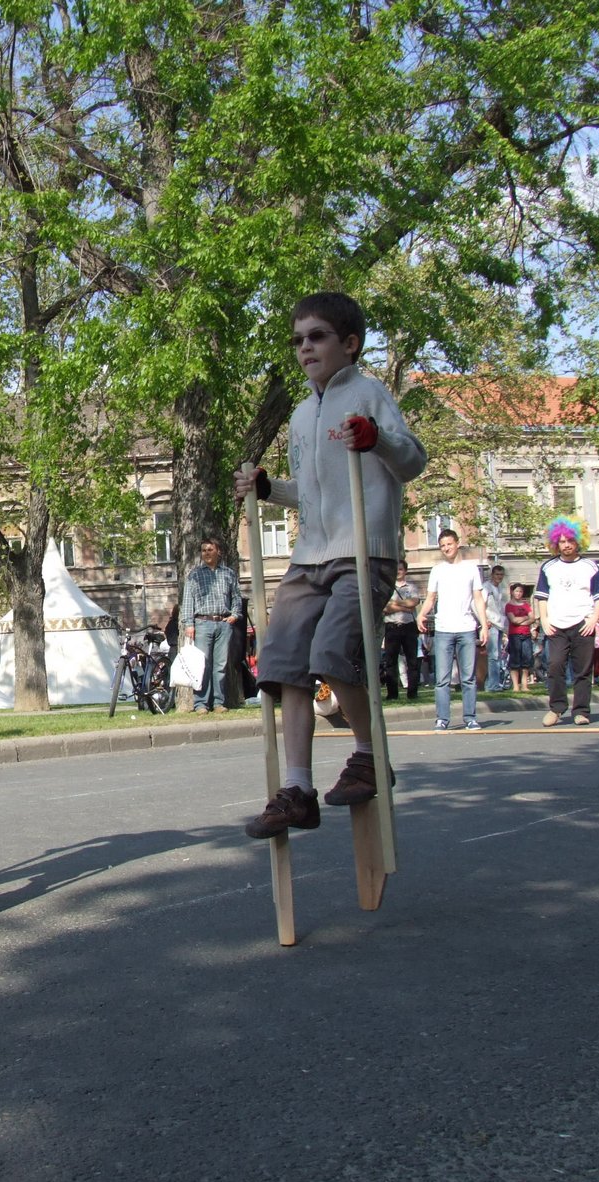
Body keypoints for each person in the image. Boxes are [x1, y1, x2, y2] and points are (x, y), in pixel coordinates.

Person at [233, 291, 427, 838]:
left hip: (363, 549)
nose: (305, 348)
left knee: (333, 653)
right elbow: (310, 492)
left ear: (350, 343)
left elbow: (412, 460)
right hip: (310, 555)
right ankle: (298, 789)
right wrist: (270, 489)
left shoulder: (369, 393)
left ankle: (369, 755)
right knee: (283, 661)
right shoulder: (300, 414)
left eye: (317, 337)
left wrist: (377, 438)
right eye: (298, 340)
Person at [534, 516, 599, 727]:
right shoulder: (548, 567)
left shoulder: (590, 566)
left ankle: (581, 711)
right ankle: (556, 708)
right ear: (555, 543)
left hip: (583, 624)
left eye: (570, 541)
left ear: (578, 541)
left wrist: (593, 618)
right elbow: (541, 596)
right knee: (555, 665)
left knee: (582, 670)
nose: (566, 545)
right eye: (562, 541)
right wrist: (544, 619)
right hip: (556, 625)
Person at [417, 529, 487, 731]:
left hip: (466, 628)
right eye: (442, 546)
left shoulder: (470, 569)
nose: (446, 548)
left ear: (457, 543)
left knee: (468, 678)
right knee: (442, 679)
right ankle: (442, 718)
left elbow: (478, 599)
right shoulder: (437, 570)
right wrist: (421, 614)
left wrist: (483, 625)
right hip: (443, 629)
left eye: (449, 544)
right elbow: (431, 598)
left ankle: (470, 718)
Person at [179, 537, 243, 714]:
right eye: (203, 550)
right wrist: (189, 624)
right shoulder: (194, 575)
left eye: (210, 550)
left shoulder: (228, 573)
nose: (206, 553)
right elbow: (188, 601)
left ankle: (218, 702)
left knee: (221, 665)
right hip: (202, 623)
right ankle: (201, 704)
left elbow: (236, 596)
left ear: (218, 551)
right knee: (202, 665)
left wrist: (234, 615)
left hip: (223, 623)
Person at [381, 560, 420, 701]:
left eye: (401, 569)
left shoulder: (412, 587)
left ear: (405, 571)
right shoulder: (387, 588)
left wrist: (394, 604)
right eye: (396, 569)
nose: (398, 572)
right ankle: (392, 694)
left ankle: (413, 693)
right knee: (390, 662)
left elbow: (413, 602)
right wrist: (405, 607)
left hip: (408, 626)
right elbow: (385, 607)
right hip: (392, 627)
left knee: (412, 661)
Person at [482, 563, 508, 691]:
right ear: (492, 574)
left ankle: (496, 683)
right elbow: (480, 605)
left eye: (501, 575)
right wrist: (484, 620)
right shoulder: (486, 587)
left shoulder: (500, 588)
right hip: (490, 623)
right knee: (493, 655)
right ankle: (492, 685)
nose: (499, 577)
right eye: (497, 574)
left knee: (498, 656)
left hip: (499, 624)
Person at [504, 583, 534, 692]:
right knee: (515, 660)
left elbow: (532, 618)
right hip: (514, 635)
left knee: (527, 660)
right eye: (516, 591)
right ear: (512, 592)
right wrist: (526, 618)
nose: (518, 593)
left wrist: (521, 620)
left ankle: (525, 685)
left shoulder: (526, 605)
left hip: (526, 635)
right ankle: (516, 686)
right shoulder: (509, 605)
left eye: (520, 591)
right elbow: (513, 620)